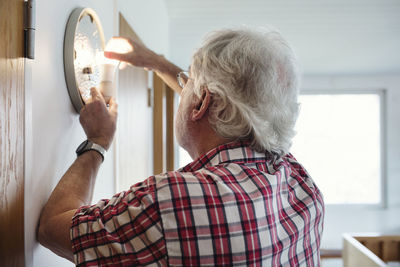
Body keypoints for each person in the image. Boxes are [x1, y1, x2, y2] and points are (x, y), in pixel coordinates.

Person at [38, 27, 324, 266]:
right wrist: (158, 63)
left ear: (201, 102)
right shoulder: (303, 185)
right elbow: (236, 102)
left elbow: (53, 227)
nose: (183, 89)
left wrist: (97, 142)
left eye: (187, 85)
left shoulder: (173, 200)